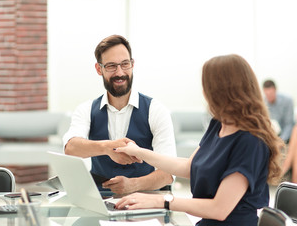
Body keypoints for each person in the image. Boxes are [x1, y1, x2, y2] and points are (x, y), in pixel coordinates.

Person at [114, 54, 283, 226]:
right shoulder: (219, 124)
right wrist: (139, 151)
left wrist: (162, 201)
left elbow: (219, 209)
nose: (203, 92)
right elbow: (188, 167)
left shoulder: (250, 142)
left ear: (222, 92)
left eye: (207, 87)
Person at [62, 34, 176, 194]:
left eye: (125, 64)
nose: (120, 72)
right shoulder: (86, 110)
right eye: (111, 66)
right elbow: (71, 148)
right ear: (99, 69)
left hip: (146, 199)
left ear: (132, 64)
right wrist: (108, 147)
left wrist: (134, 185)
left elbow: (169, 173)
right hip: (100, 200)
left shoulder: (156, 110)